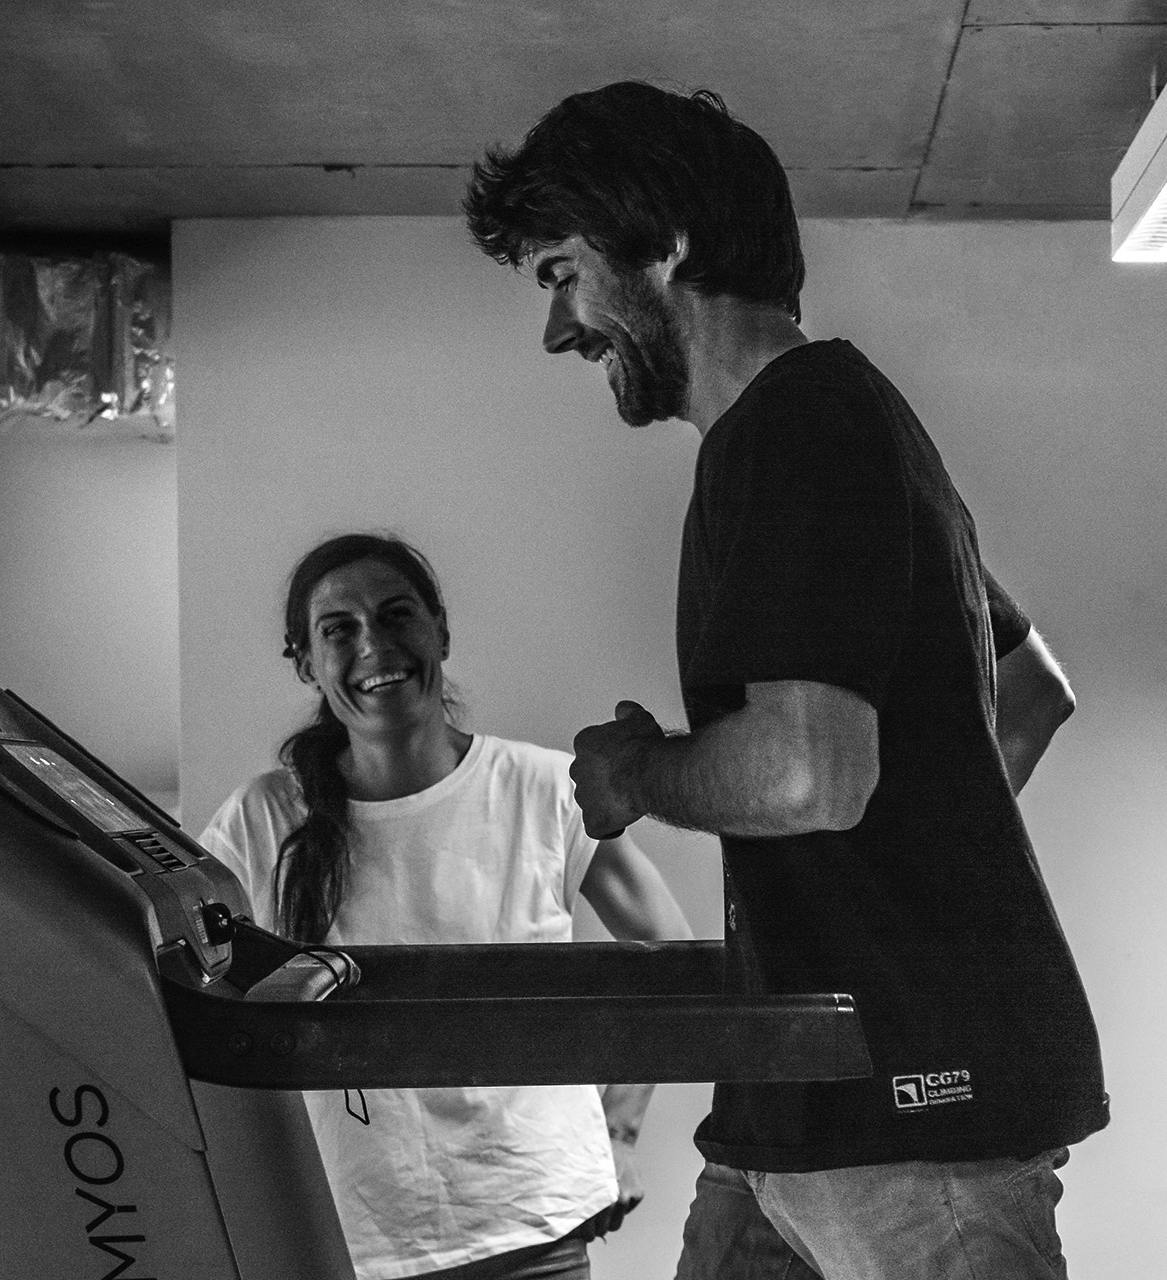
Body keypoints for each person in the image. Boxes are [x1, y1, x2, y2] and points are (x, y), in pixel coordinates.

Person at [464, 84, 1107, 1280]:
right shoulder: (835, 426)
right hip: (796, 1093)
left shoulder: (798, 428)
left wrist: (637, 773)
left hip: (912, 1118)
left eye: (563, 274)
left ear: (665, 245)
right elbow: (1029, 692)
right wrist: (894, 886)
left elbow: (812, 768)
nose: (560, 329)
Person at [200, 533, 693, 1280]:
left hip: (537, 1223)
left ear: (440, 631)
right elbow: (187, 990)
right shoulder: (259, 820)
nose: (375, 646)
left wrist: (620, 1132)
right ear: (306, 662)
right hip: (357, 1238)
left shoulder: (547, 788)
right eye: (339, 630)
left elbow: (672, 959)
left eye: (397, 615)